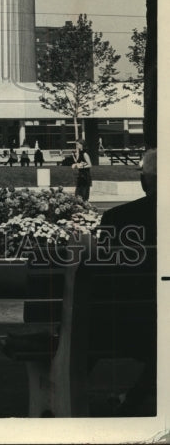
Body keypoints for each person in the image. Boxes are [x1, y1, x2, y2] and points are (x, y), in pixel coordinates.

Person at [96, 148, 157, 415]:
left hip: (122, 327)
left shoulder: (117, 219)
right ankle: (133, 399)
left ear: (145, 180)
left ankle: (132, 401)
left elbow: (101, 280)